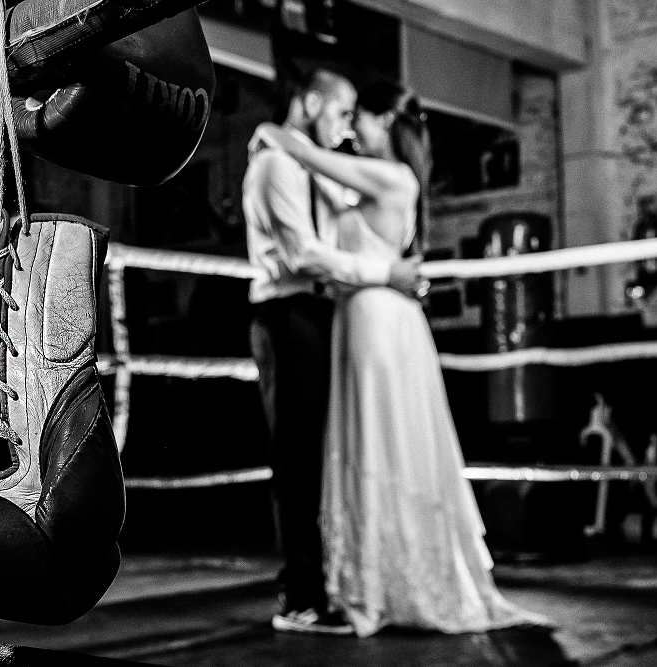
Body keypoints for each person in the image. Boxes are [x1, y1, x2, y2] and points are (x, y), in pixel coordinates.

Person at [251, 80, 550, 637]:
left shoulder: (392, 176)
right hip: (361, 320)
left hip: (377, 324)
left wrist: (273, 132)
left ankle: (394, 577)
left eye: (357, 116)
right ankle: (373, 577)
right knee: (370, 445)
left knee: (384, 442)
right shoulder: (364, 182)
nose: (349, 127)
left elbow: (308, 156)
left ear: (386, 122)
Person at [242, 70, 421, 635]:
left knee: (321, 456)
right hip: (289, 312)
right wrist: (384, 272)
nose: (346, 128)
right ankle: (301, 598)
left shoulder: (304, 164)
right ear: (312, 101)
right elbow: (303, 256)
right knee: (297, 458)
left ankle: (331, 583)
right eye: (342, 113)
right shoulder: (275, 166)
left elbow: (349, 211)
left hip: (320, 316)